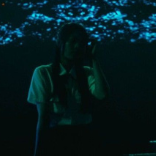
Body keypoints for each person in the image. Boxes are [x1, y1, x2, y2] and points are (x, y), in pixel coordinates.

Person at [27, 22, 110, 156]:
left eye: (82, 43)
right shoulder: (44, 73)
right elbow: (43, 118)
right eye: (73, 41)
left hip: (85, 137)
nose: (77, 46)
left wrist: (93, 59)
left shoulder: (87, 73)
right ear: (61, 43)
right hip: (57, 138)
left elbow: (102, 94)